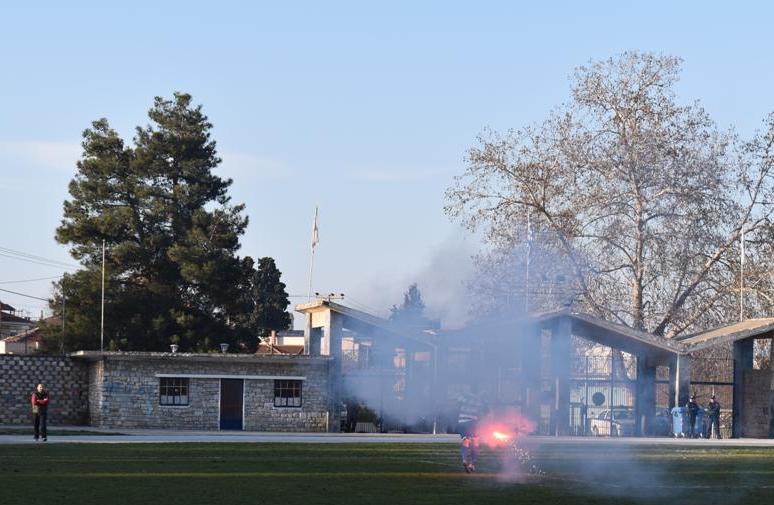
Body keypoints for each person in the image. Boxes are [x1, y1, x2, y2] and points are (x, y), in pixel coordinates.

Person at [457, 385, 487, 473]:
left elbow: (457, 404)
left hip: (461, 422)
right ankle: (472, 464)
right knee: (475, 442)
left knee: (465, 441)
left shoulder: (464, 397)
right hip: (472, 422)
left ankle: (464, 459)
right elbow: (486, 411)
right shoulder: (480, 399)